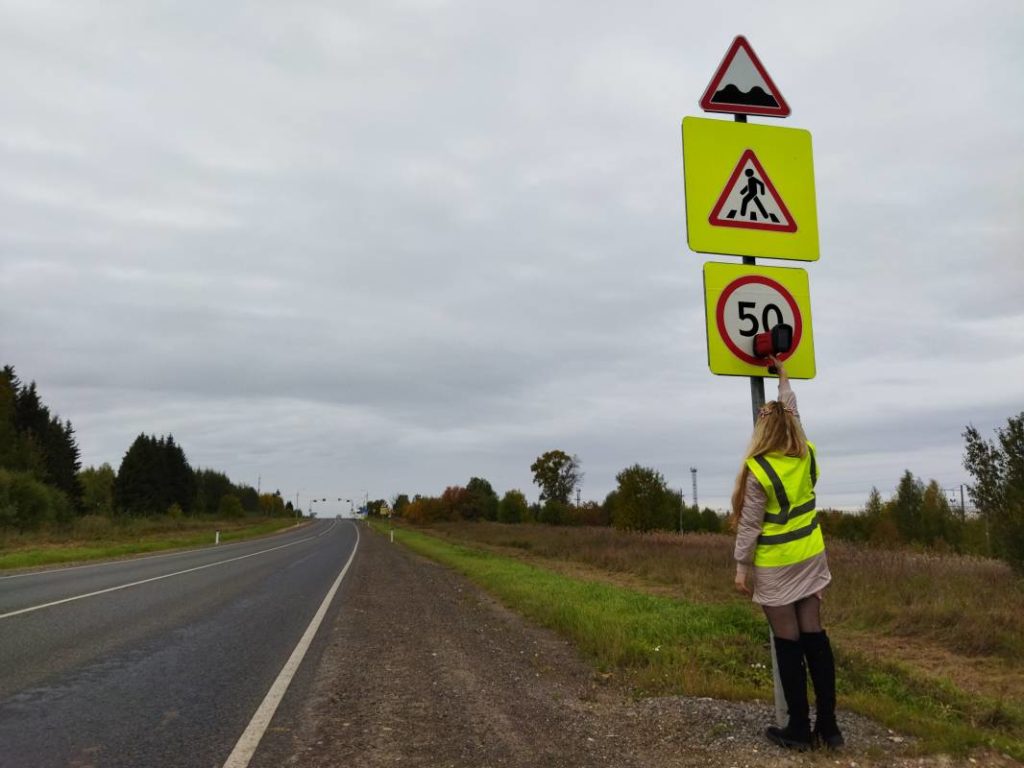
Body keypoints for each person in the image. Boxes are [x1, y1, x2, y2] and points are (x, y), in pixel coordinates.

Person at [731, 356, 843, 751]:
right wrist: (783, 378)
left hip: (778, 565)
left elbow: (749, 524)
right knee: (815, 636)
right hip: (811, 557)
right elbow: (793, 414)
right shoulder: (805, 454)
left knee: (788, 642)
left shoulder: (760, 468)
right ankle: (829, 728)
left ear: (763, 430)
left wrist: (742, 568)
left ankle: (798, 728)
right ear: (791, 426)